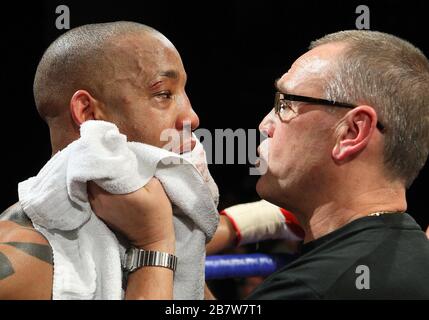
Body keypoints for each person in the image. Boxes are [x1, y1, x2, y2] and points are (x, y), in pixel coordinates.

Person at [91, 30, 429, 299]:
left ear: (352, 132)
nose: (264, 125)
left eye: (286, 103)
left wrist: (155, 244)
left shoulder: (315, 287)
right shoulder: (413, 260)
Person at [0, 21, 299, 300]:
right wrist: (153, 245)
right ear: (89, 114)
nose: (191, 117)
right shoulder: (17, 259)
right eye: (163, 94)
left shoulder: (175, 233)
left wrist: (270, 217)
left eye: (184, 92)